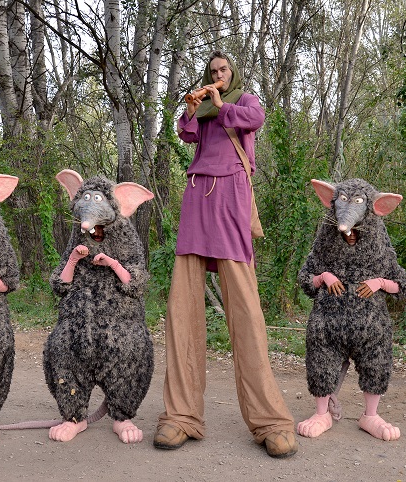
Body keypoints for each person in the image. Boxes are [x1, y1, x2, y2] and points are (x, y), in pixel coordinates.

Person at [153, 50, 298, 458]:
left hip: (232, 193)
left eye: (223, 70)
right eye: (212, 71)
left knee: (246, 308)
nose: (217, 75)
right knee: (182, 307)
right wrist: (190, 109)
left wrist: (221, 104)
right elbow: (187, 136)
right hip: (197, 193)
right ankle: (181, 415)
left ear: (232, 73)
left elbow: (255, 120)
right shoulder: (203, 109)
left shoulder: (244, 100)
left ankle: (270, 420)